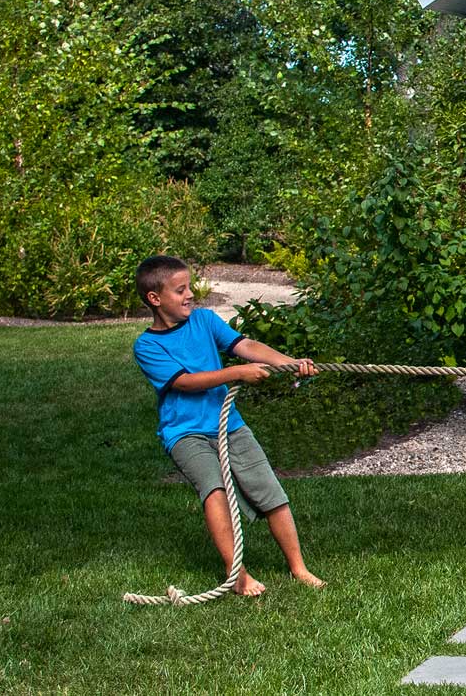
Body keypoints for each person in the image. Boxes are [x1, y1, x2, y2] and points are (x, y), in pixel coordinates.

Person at [132, 255, 326, 597]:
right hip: (185, 433)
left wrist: (289, 362)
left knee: (269, 490)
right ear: (155, 298)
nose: (191, 294)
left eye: (190, 286)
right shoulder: (148, 346)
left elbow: (245, 346)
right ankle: (237, 575)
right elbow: (185, 382)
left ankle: (298, 567)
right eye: (181, 290)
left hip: (229, 425)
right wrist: (236, 373)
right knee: (215, 489)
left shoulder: (205, 321)